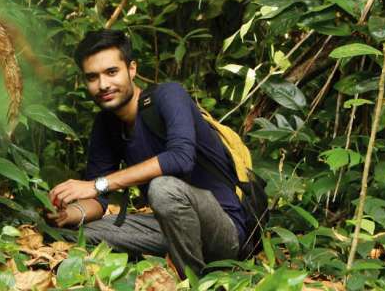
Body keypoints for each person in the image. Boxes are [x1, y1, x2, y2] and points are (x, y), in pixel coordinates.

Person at [47, 29, 245, 278]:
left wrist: (98, 184)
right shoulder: (106, 124)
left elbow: (181, 159)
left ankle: (191, 280)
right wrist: (72, 213)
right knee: (71, 233)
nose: (103, 85)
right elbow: (99, 200)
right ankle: (173, 260)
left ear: (131, 69)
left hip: (223, 232)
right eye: (92, 77)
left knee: (163, 189)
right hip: (170, 228)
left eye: (111, 72)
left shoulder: (168, 96)